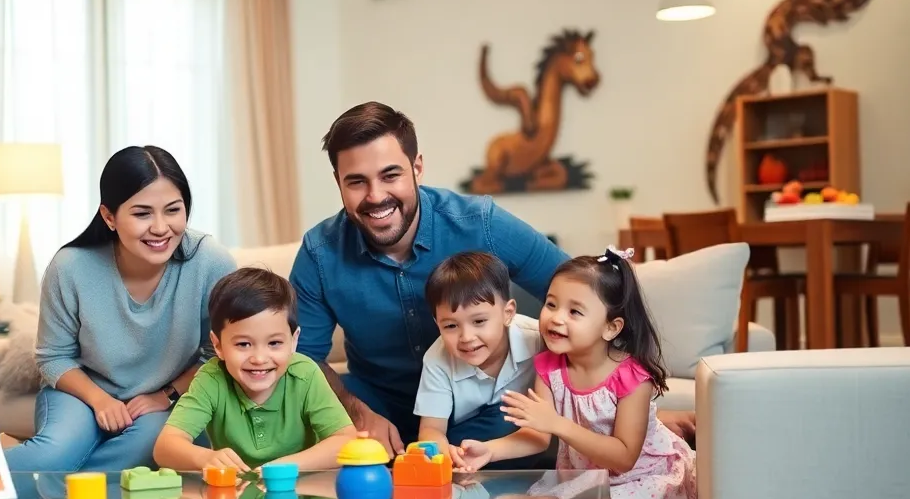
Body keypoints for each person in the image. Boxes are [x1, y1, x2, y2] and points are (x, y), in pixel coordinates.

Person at [290, 101, 696, 458]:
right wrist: (359, 414)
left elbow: (589, 300)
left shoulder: (479, 222)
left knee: (518, 420)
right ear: (338, 182)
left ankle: (429, 462)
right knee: (300, 413)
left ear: (417, 168)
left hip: (486, 412)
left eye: (390, 175)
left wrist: (633, 411)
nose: (376, 196)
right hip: (378, 403)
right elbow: (302, 358)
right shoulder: (319, 252)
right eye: (356, 181)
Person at [4, 145, 236, 495]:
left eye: (173, 210)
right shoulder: (70, 267)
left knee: (145, 450)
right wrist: (101, 400)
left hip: (167, 401)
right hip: (81, 392)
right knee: (56, 452)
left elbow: (219, 352)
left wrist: (166, 395)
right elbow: (53, 357)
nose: (161, 228)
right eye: (142, 213)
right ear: (109, 217)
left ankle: (45, 496)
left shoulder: (212, 263)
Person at [478, 247, 699, 499]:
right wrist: (489, 451)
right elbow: (537, 436)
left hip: (641, 477)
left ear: (611, 327)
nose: (556, 318)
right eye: (551, 304)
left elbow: (624, 458)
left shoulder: (632, 377)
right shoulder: (550, 367)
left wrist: (558, 424)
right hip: (585, 479)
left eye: (574, 311)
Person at [141, 267, 358, 499]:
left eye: (275, 343)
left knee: (333, 495)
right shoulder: (211, 378)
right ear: (218, 345)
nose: (259, 358)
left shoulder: (306, 374)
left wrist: (289, 467)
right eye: (243, 344)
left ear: (294, 341)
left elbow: (346, 442)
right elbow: (165, 447)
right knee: (180, 485)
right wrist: (205, 458)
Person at [414, 252, 552, 470]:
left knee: (508, 415)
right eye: (451, 326)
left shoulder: (539, 341)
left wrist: (489, 451)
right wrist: (447, 454)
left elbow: (541, 433)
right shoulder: (437, 359)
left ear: (508, 313)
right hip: (464, 439)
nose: (467, 337)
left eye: (479, 321)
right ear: (437, 323)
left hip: (519, 439)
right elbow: (431, 430)